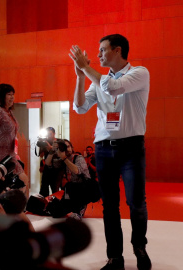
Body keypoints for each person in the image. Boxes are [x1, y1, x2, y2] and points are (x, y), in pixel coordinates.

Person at [69, 34, 151, 270]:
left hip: (131, 147)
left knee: (136, 202)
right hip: (103, 149)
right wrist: (79, 77)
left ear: (117, 50)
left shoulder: (139, 73)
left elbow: (113, 88)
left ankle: (139, 246)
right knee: (110, 206)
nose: (98, 56)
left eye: (102, 51)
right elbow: (80, 107)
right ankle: (115, 257)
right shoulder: (98, 80)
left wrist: (86, 68)